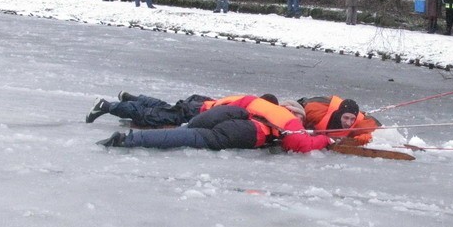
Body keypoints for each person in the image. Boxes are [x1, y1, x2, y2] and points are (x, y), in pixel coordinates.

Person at [97, 95, 332, 153]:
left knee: (186, 129)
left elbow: (234, 102)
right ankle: (129, 139)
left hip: (225, 112)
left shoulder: (260, 102)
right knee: (192, 138)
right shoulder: (289, 119)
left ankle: (129, 129)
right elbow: (298, 143)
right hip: (246, 131)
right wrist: (325, 139)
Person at [85, 91, 217, 127]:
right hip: (200, 111)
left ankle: (132, 98)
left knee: (167, 109)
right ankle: (104, 106)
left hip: (202, 103)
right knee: (151, 116)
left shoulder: (238, 99)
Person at [298, 96, 381, 145]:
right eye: (346, 118)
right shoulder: (316, 112)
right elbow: (299, 109)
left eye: (352, 119)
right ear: (339, 114)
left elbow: (379, 130)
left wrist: (365, 137)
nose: (349, 123)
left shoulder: (360, 122)